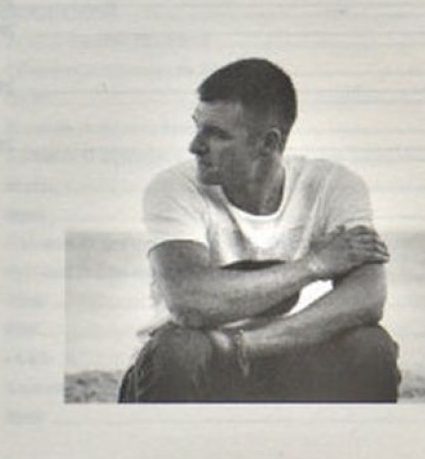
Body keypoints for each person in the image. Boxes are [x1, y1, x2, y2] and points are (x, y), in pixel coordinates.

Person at [118, 58, 401, 403]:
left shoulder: (332, 185)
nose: (195, 146)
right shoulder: (174, 187)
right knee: (179, 349)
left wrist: (245, 345)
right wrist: (315, 265)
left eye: (217, 134)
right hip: (194, 364)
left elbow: (368, 297)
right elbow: (188, 302)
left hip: (285, 356)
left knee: (371, 347)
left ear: (268, 143)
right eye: (197, 126)